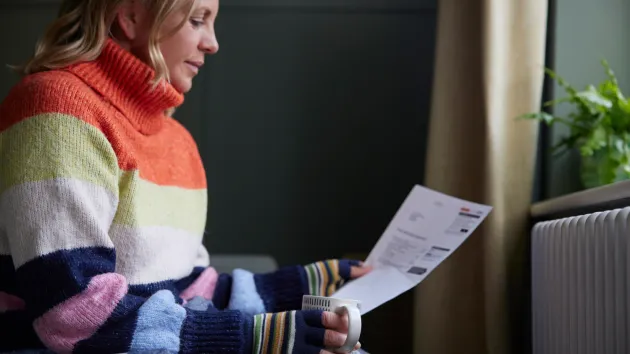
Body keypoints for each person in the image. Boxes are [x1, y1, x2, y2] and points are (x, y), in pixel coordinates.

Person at [0, 0, 372, 353]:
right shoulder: (55, 112)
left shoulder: (177, 142)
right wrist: (256, 340)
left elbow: (190, 292)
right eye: (197, 20)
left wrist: (302, 286)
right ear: (129, 17)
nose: (213, 44)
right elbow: (74, 315)